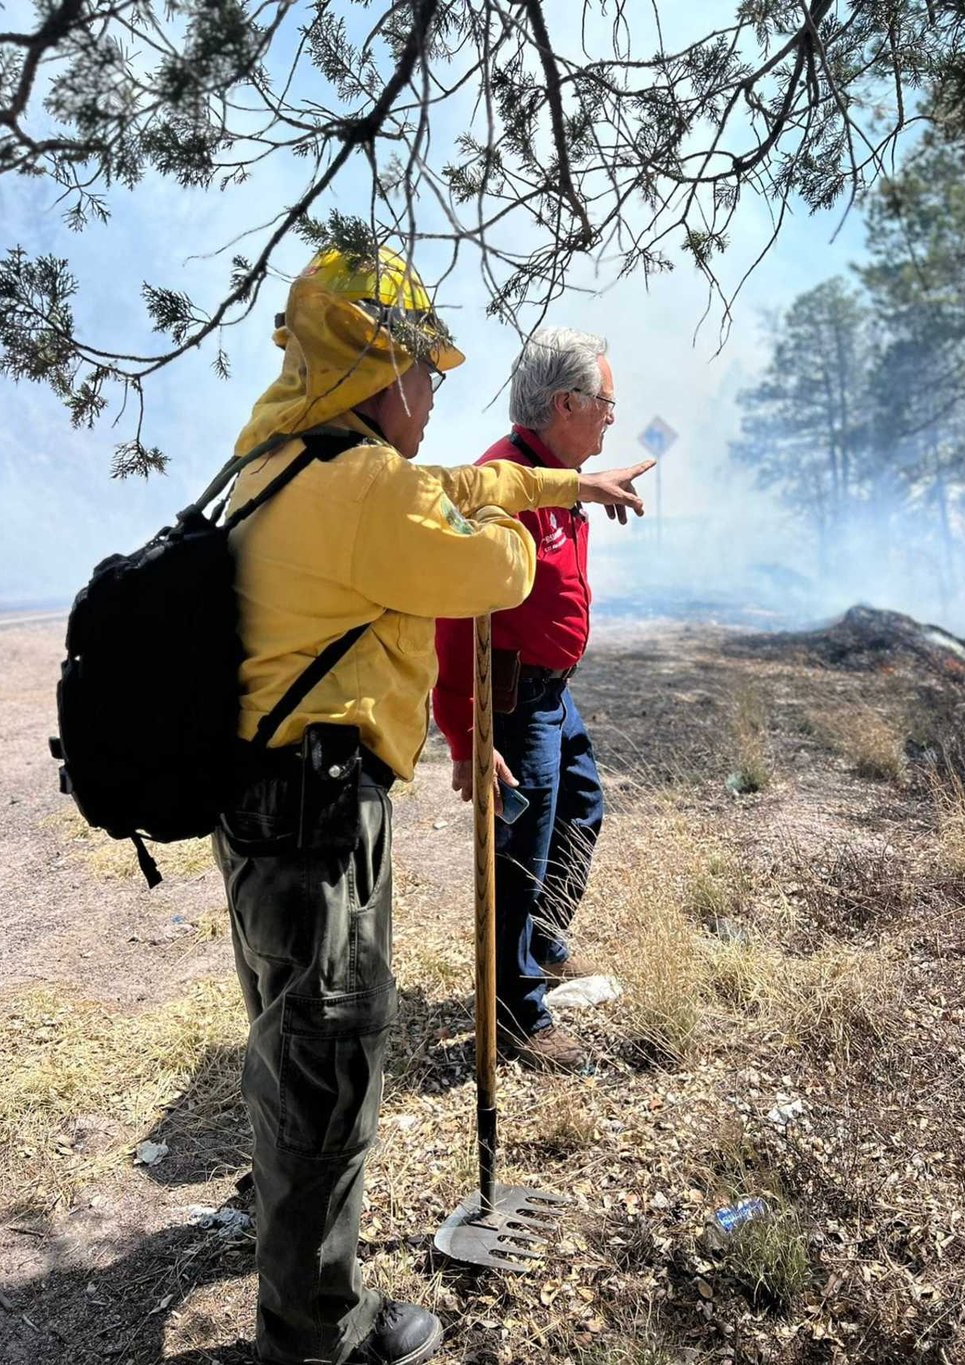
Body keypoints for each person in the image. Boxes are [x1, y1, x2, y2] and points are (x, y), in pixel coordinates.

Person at [211, 249, 653, 1365]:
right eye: (424, 372)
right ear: (379, 370)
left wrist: (557, 486)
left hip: (258, 802)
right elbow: (493, 568)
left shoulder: (276, 461)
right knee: (331, 1057)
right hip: (315, 812)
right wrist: (528, 531)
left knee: (290, 1041)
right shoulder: (371, 491)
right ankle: (318, 1333)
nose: (437, 395)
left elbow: (464, 485)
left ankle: (297, 1275)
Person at [433, 326, 635, 1074]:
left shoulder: (557, 473)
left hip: (552, 696)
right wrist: (465, 731)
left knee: (582, 809)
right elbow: (454, 616)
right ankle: (518, 1011)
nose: (612, 418)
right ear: (565, 402)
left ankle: (541, 948)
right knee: (518, 855)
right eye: (605, 404)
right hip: (511, 704)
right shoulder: (501, 482)